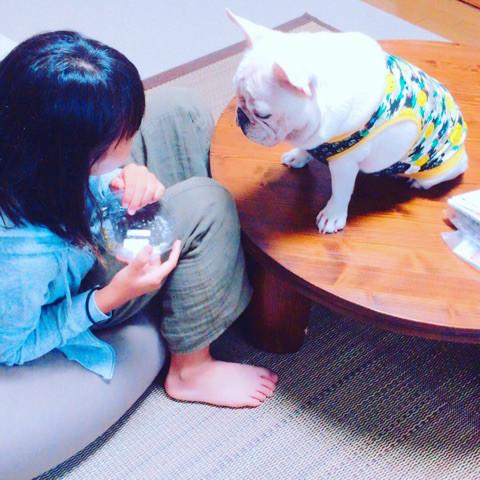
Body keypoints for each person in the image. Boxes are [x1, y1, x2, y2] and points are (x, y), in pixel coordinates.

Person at [0, 31, 278, 408]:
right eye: (121, 140)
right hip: (88, 290)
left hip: (71, 211)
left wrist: (119, 177)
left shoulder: (25, 148)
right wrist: (111, 297)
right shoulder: (23, 259)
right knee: (207, 201)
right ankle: (191, 370)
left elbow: (79, 175)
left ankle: (214, 259)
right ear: (74, 159)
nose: (130, 142)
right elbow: (11, 347)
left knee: (181, 109)